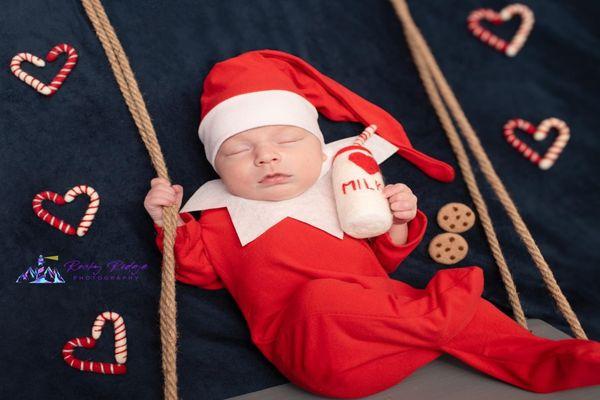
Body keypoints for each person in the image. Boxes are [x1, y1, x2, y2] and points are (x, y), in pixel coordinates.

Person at [144, 49, 600, 398]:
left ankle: (557, 361)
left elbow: (382, 256)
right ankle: (440, 313)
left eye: (285, 139)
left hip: (395, 334)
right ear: (217, 168)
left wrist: (397, 219)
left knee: (476, 322)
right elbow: (196, 270)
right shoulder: (218, 214)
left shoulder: (343, 186)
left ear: (319, 149)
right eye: (239, 150)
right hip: (322, 353)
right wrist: (169, 219)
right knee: (321, 300)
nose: (266, 155)